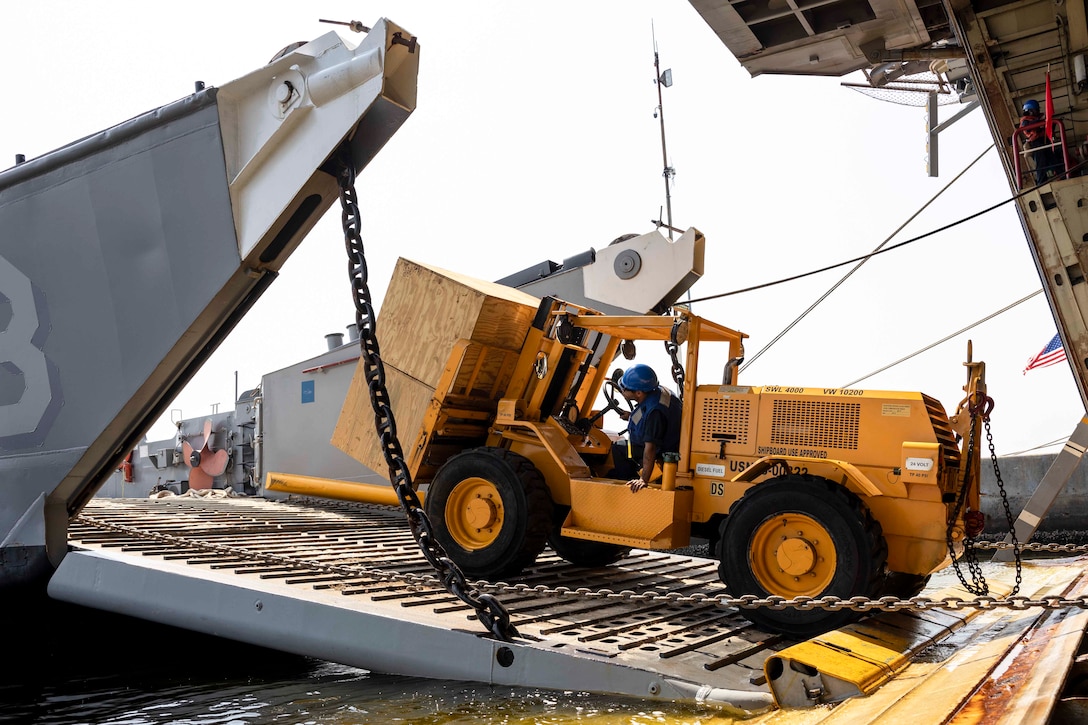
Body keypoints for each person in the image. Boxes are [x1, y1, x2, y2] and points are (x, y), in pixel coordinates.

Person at [609, 364, 682, 492]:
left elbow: (651, 447)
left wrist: (643, 479)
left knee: (618, 448)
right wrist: (631, 416)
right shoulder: (656, 392)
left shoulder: (655, 414)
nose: (622, 391)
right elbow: (646, 412)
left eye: (625, 389)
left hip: (662, 448)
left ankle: (626, 485)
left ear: (638, 392)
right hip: (667, 435)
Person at [1020, 99, 1059, 186]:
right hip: (1036, 144)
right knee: (1041, 163)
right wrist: (1041, 121)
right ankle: (1041, 183)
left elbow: (1049, 127)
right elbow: (1027, 128)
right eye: (1035, 110)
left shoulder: (1040, 118)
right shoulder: (1025, 120)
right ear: (1029, 111)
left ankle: (1063, 175)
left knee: (1054, 160)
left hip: (1045, 142)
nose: (1037, 112)